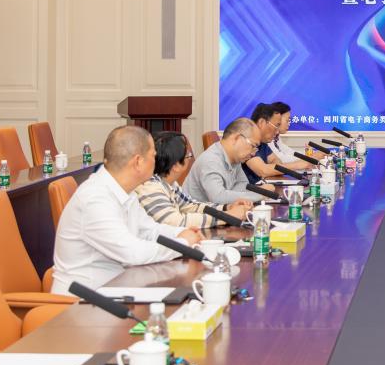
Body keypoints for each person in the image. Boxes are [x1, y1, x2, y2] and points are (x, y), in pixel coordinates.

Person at [50, 126, 201, 294]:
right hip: (84, 300)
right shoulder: (94, 198)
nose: (156, 161)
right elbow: (132, 253)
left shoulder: (126, 191)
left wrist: (182, 233)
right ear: (138, 162)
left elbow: (149, 230)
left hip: (118, 288)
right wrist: (183, 244)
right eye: (153, 156)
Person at [135, 131, 253, 229]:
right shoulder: (150, 188)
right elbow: (178, 222)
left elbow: (191, 206)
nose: (190, 157)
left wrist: (226, 208)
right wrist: (226, 216)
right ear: (176, 166)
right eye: (188, 155)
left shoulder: (169, 184)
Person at [185, 118, 263, 203]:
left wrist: (229, 195)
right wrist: (261, 195)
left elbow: (243, 184)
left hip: (221, 209)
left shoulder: (235, 158)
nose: (253, 153)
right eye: (253, 146)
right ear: (237, 138)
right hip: (198, 211)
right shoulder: (210, 160)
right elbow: (218, 198)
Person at [242, 103, 312, 183]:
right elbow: (263, 170)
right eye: (276, 126)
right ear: (262, 123)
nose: (277, 131)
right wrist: (297, 165)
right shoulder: (246, 141)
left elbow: (276, 161)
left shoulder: (263, 143)